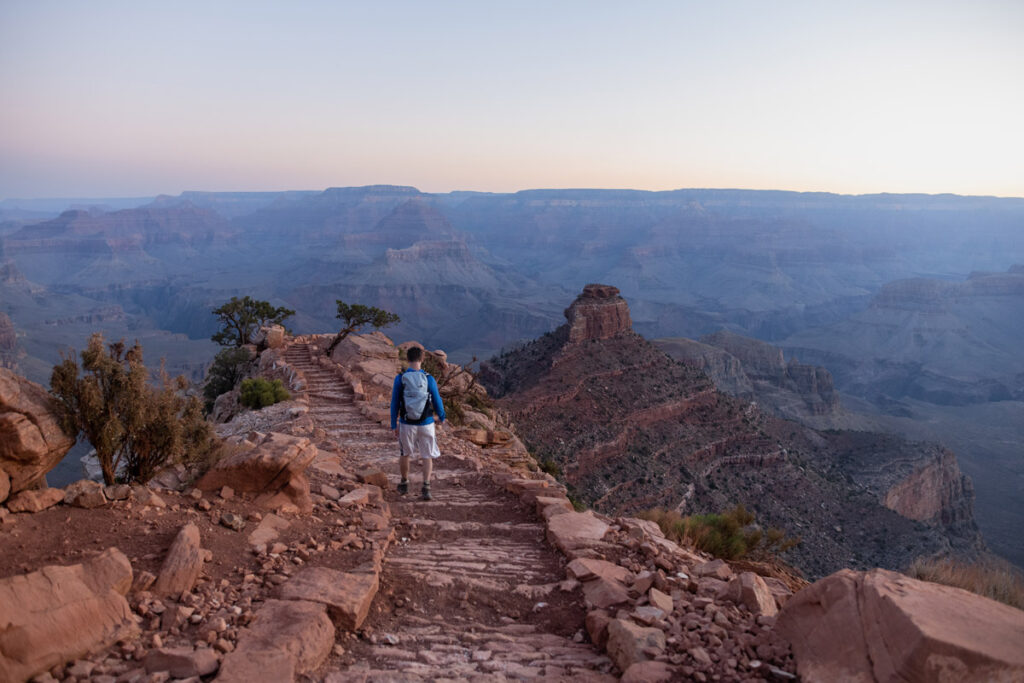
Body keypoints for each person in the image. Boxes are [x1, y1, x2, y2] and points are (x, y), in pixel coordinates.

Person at [390, 345, 445, 500]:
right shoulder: (428, 378)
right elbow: (437, 400)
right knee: (427, 455)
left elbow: (395, 403)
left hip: (407, 423)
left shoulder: (400, 378)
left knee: (405, 453)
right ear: (422, 359)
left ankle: (404, 483)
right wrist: (441, 416)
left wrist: (394, 424)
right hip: (426, 423)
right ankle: (426, 487)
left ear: (407, 359)